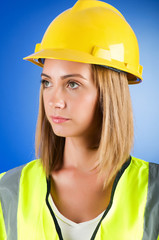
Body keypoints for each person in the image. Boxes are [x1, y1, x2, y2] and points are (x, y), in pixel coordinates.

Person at [0, 0, 159, 239]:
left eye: (72, 84)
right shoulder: (6, 189)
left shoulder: (154, 190)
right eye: (47, 82)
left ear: (110, 93)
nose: (55, 100)